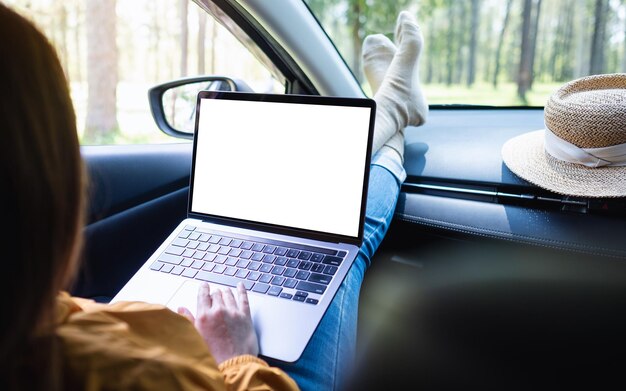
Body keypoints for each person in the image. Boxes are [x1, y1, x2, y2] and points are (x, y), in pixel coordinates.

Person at [0, 3, 427, 390]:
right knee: (346, 242)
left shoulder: (35, 320)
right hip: (238, 371)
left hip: (191, 333)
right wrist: (235, 358)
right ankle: (392, 122)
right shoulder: (101, 368)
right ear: (49, 189)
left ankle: (392, 115)